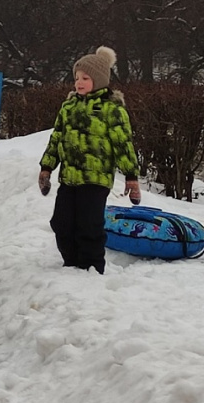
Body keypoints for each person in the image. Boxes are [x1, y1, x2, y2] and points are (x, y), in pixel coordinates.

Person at [38, 46, 141, 275]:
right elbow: (57, 138)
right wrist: (46, 167)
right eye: (76, 78)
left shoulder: (112, 109)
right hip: (70, 178)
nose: (79, 82)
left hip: (96, 180)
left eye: (85, 78)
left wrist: (131, 178)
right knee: (61, 224)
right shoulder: (69, 106)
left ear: (99, 79)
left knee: (89, 226)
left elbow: (123, 145)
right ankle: (71, 265)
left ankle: (91, 269)